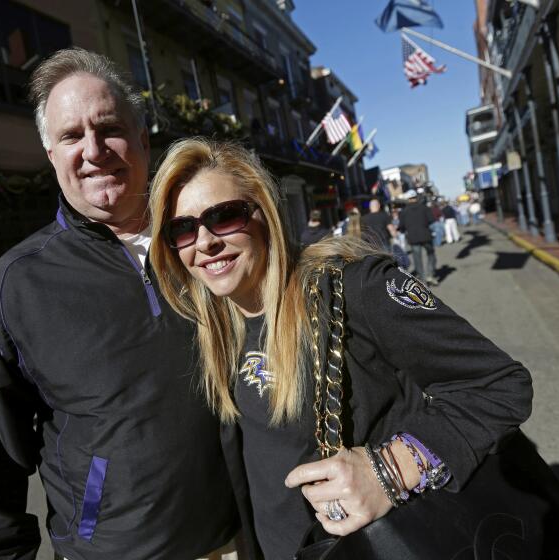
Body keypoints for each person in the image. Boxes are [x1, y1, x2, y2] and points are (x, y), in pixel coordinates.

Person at [148, 138, 532, 559]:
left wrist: (391, 470)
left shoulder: (354, 288)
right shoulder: (214, 328)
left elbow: (498, 384)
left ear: (266, 213)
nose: (204, 241)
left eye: (223, 216)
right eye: (182, 228)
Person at [0, 48, 239, 560]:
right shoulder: (16, 286)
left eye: (109, 128)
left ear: (143, 140)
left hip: (248, 536)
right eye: (71, 136)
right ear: (51, 156)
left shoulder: (214, 243)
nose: (94, 149)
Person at [399, 190, 438, 286]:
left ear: (408, 199)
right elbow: (432, 220)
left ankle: (423, 279)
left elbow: (401, 228)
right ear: (416, 197)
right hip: (426, 235)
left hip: (413, 238)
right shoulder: (424, 208)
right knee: (431, 254)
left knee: (417, 259)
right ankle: (430, 274)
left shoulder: (403, 212)